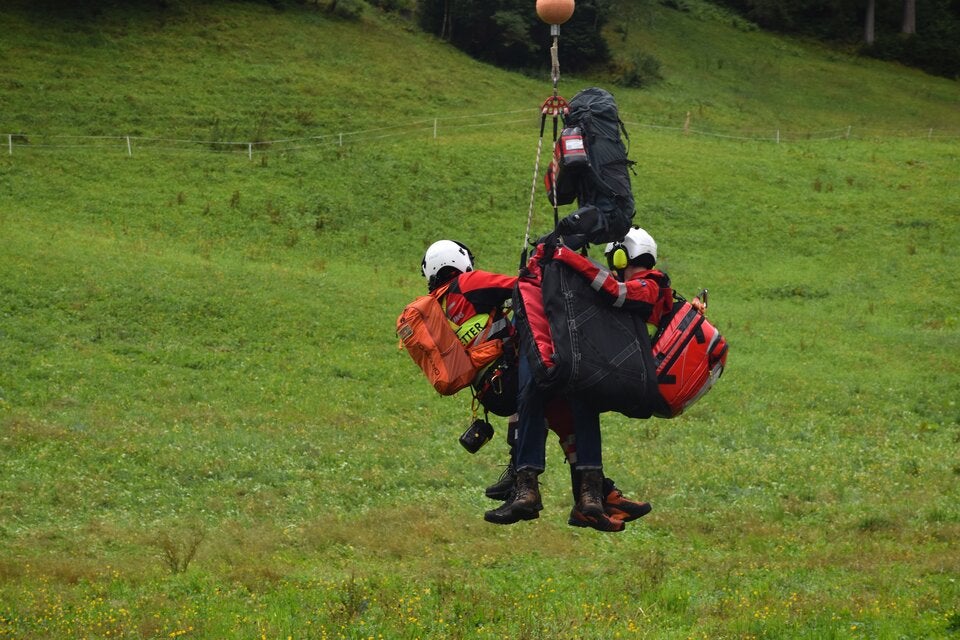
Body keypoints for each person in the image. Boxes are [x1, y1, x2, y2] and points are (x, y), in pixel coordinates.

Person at [420, 240, 651, 532]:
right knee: (578, 390)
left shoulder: (438, 308)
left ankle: (596, 497)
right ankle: (530, 485)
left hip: (491, 392)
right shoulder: (468, 283)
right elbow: (523, 287)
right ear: (458, 260)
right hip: (511, 375)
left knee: (565, 419)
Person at [486, 227, 680, 530]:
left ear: (623, 256)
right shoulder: (644, 286)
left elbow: (613, 290)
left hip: (617, 370)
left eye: (615, 261)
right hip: (608, 367)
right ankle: (585, 496)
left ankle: (577, 491)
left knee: (563, 399)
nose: (614, 268)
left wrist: (566, 256)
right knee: (559, 403)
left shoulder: (648, 285)